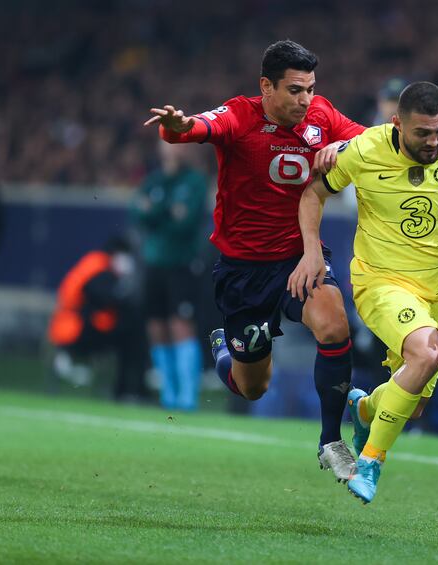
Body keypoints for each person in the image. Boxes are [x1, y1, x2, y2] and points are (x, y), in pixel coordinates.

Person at [144, 40, 365, 482]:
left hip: (299, 258)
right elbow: (193, 127)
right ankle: (225, 349)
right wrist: (175, 128)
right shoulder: (239, 116)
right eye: (295, 90)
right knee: (253, 388)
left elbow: (370, 142)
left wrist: (342, 150)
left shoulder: (322, 116)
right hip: (243, 270)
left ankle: (330, 441)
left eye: (310, 89)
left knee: (334, 323)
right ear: (266, 87)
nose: (306, 100)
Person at [289, 81, 438, 503]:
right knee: (427, 353)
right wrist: (312, 252)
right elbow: (313, 194)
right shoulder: (366, 150)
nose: (434, 141)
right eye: (423, 133)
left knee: (415, 401)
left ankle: (366, 409)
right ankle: (370, 461)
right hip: (381, 283)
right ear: (397, 124)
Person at [131, 141, 209, 411]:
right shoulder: (153, 180)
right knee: (156, 327)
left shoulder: (195, 182)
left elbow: (185, 222)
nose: (174, 149)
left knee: (181, 325)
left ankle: (188, 396)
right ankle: (168, 393)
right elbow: (137, 213)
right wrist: (166, 211)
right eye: (168, 142)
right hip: (154, 263)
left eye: (179, 144)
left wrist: (155, 210)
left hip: (182, 263)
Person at [48, 236, 148, 401]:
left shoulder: (93, 263)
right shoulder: (99, 268)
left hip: (71, 325)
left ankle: (127, 389)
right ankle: (128, 390)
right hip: (75, 330)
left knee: (130, 330)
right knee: (132, 335)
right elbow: (105, 299)